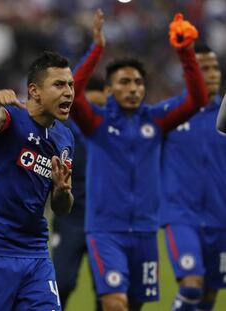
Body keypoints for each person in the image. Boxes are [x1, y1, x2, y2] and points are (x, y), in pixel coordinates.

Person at [71, 10, 208, 311]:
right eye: (124, 82)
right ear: (109, 90)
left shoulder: (157, 121)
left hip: (145, 232)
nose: (133, 88)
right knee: (114, 304)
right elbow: (73, 93)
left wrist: (185, 52)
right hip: (106, 231)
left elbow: (198, 100)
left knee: (133, 306)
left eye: (138, 82)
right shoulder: (96, 123)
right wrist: (96, 49)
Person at [0, 51, 75, 311]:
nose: (68, 92)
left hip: (35, 251)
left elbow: (61, 208)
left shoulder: (65, 138)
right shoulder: (12, 117)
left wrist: (62, 191)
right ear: (34, 91)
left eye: (70, 85)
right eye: (58, 85)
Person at [161, 42, 226, 311]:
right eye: (204, 68)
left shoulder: (224, 115)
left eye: (214, 68)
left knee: (209, 295)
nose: (212, 74)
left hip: (221, 219)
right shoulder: (169, 114)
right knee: (191, 285)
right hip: (181, 216)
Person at [51, 75, 106, 311]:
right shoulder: (62, 132)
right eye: (88, 106)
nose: (92, 113)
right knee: (61, 283)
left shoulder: (109, 131)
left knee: (106, 290)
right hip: (70, 219)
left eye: (99, 106)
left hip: (104, 221)